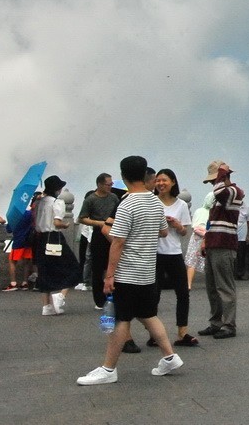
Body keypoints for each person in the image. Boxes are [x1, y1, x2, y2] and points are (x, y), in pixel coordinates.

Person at [77, 155, 184, 385]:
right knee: (148, 315)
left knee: (120, 320)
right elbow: (164, 232)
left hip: (128, 272)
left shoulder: (127, 203)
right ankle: (169, 356)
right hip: (147, 271)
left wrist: (109, 275)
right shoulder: (155, 202)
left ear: (123, 176)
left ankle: (108, 369)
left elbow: (118, 242)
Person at [149, 168, 196, 348]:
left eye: (164, 180)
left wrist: (176, 224)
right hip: (155, 253)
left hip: (174, 253)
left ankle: (182, 332)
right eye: (158, 181)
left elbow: (184, 232)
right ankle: (154, 333)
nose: (161, 184)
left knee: (183, 293)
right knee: (154, 295)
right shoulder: (152, 203)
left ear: (173, 182)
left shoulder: (181, 205)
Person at [198, 160, 242, 340]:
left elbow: (218, 191)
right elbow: (212, 221)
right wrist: (205, 241)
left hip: (224, 243)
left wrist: (221, 174)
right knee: (212, 287)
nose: (211, 184)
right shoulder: (219, 195)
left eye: (213, 180)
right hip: (213, 242)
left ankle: (229, 324)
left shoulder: (233, 192)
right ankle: (216, 322)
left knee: (225, 286)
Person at [35, 175, 78, 315]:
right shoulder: (57, 202)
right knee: (72, 267)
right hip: (54, 237)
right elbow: (57, 223)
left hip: (40, 238)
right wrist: (65, 225)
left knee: (44, 270)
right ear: (57, 189)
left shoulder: (39, 202)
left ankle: (46, 307)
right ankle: (60, 296)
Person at [78, 173, 121, 309]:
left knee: (114, 264)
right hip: (98, 233)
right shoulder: (91, 199)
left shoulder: (114, 197)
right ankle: (99, 300)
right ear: (100, 185)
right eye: (108, 185)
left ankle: (115, 296)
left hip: (113, 232)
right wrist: (100, 223)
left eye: (111, 184)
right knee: (97, 268)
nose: (110, 187)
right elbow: (82, 218)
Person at [4, 192, 38, 291]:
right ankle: (25, 282)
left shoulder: (13, 216)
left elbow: (8, 229)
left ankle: (13, 283)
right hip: (28, 241)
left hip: (18, 241)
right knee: (26, 262)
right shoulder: (29, 214)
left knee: (12, 261)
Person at [184, 196, 210, 289]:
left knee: (192, 261)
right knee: (209, 261)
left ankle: (188, 284)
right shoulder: (213, 212)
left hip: (195, 237)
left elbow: (193, 225)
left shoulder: (198, 211)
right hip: (208, 237)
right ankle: (211, 284)